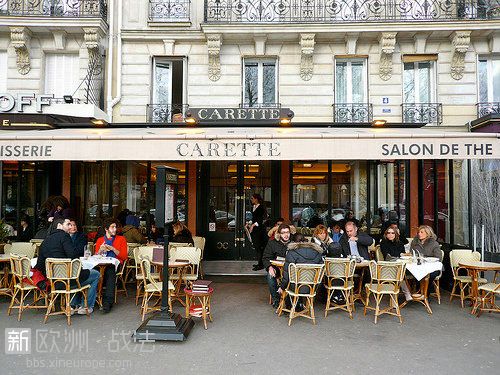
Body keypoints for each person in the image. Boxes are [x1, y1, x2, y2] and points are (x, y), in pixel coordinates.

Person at [34, 218, 100, 314]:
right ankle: (86, 306)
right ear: (59, 226)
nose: (70, 226)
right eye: (68, 224)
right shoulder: (64, 236)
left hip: (52, 282)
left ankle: (72, 305)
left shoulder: (46, 240)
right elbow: (73, 256)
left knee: (75, 274)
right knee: (95, 274)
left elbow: (39, 265)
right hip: (67, 279)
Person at [278, 234, 324, 310]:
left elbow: (286, 275)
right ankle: (300, 304)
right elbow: (321, 270)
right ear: (305, 240)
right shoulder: (317, 252)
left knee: (290, 282)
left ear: (293, 242)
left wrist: (282, 287)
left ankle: (293, 304)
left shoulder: (291, 252)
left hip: (295, 287)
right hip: (312, 287)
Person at [94, 218, 128, 313]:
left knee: (110, 271)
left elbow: (124, 256)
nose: (115, 229)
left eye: (115, 227)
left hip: (114, 265)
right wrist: (100, 250)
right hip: (100, 264)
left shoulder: (121, 239)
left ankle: (108, 303)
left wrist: (113, 249)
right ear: (106, 229)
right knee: (91, 272)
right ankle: (89, 300)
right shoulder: (100, 240)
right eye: (112, 227)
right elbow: (96, 256)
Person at [262, 224, 291, 309]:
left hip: (291, 269)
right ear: (279, 234)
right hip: (277, 268)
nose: (286, 235)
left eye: (288, 232)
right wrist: (269, 267)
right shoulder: (272, 243)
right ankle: (276, 299)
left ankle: (292, 299)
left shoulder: (294, 242)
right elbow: (265, 258)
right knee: (270, 275)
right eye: (283, 233)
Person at [248, 193, 268, 271]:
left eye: (252, 198)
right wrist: (249, 223)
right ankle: (259, 263)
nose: (251, 199)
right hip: (255, 230)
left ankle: (261, 265)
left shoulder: (261, 207)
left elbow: (260, 220)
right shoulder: (254, 206)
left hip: (259, 231)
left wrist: (252, 226)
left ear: (256, 199)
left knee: (259, 247)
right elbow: (254, 219)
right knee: (257, 247)